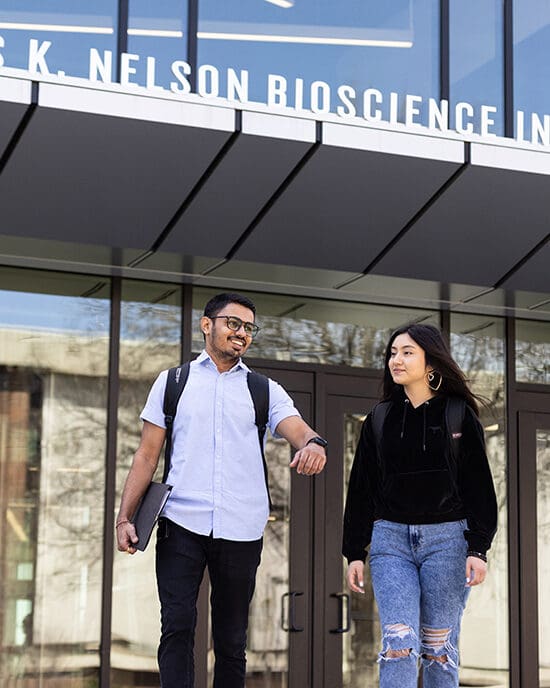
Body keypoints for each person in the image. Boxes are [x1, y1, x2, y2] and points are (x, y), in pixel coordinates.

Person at [116, 292, 327, 688]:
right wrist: (125, 517)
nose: (242, 333)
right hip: (181, 522)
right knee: (177, 627)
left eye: (249, 327)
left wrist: (313, 444)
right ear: (207, 324)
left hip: (241, 528)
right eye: (233, 323)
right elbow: (146, 455)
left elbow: (298, 429)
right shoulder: (173, 382)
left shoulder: (263, 389)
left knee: (231, 640)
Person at [342, 323, 497, 688]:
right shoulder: (380, 419)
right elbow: (361, 489)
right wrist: (353, 551)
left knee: (438, 650)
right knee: (398, 643)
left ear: (431, 362)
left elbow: (478, 486)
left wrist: (478, 547)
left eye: (407, 352)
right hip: (390, 542)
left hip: (448, 542)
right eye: (393, 352)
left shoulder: (458, 414)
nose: (397, 359)